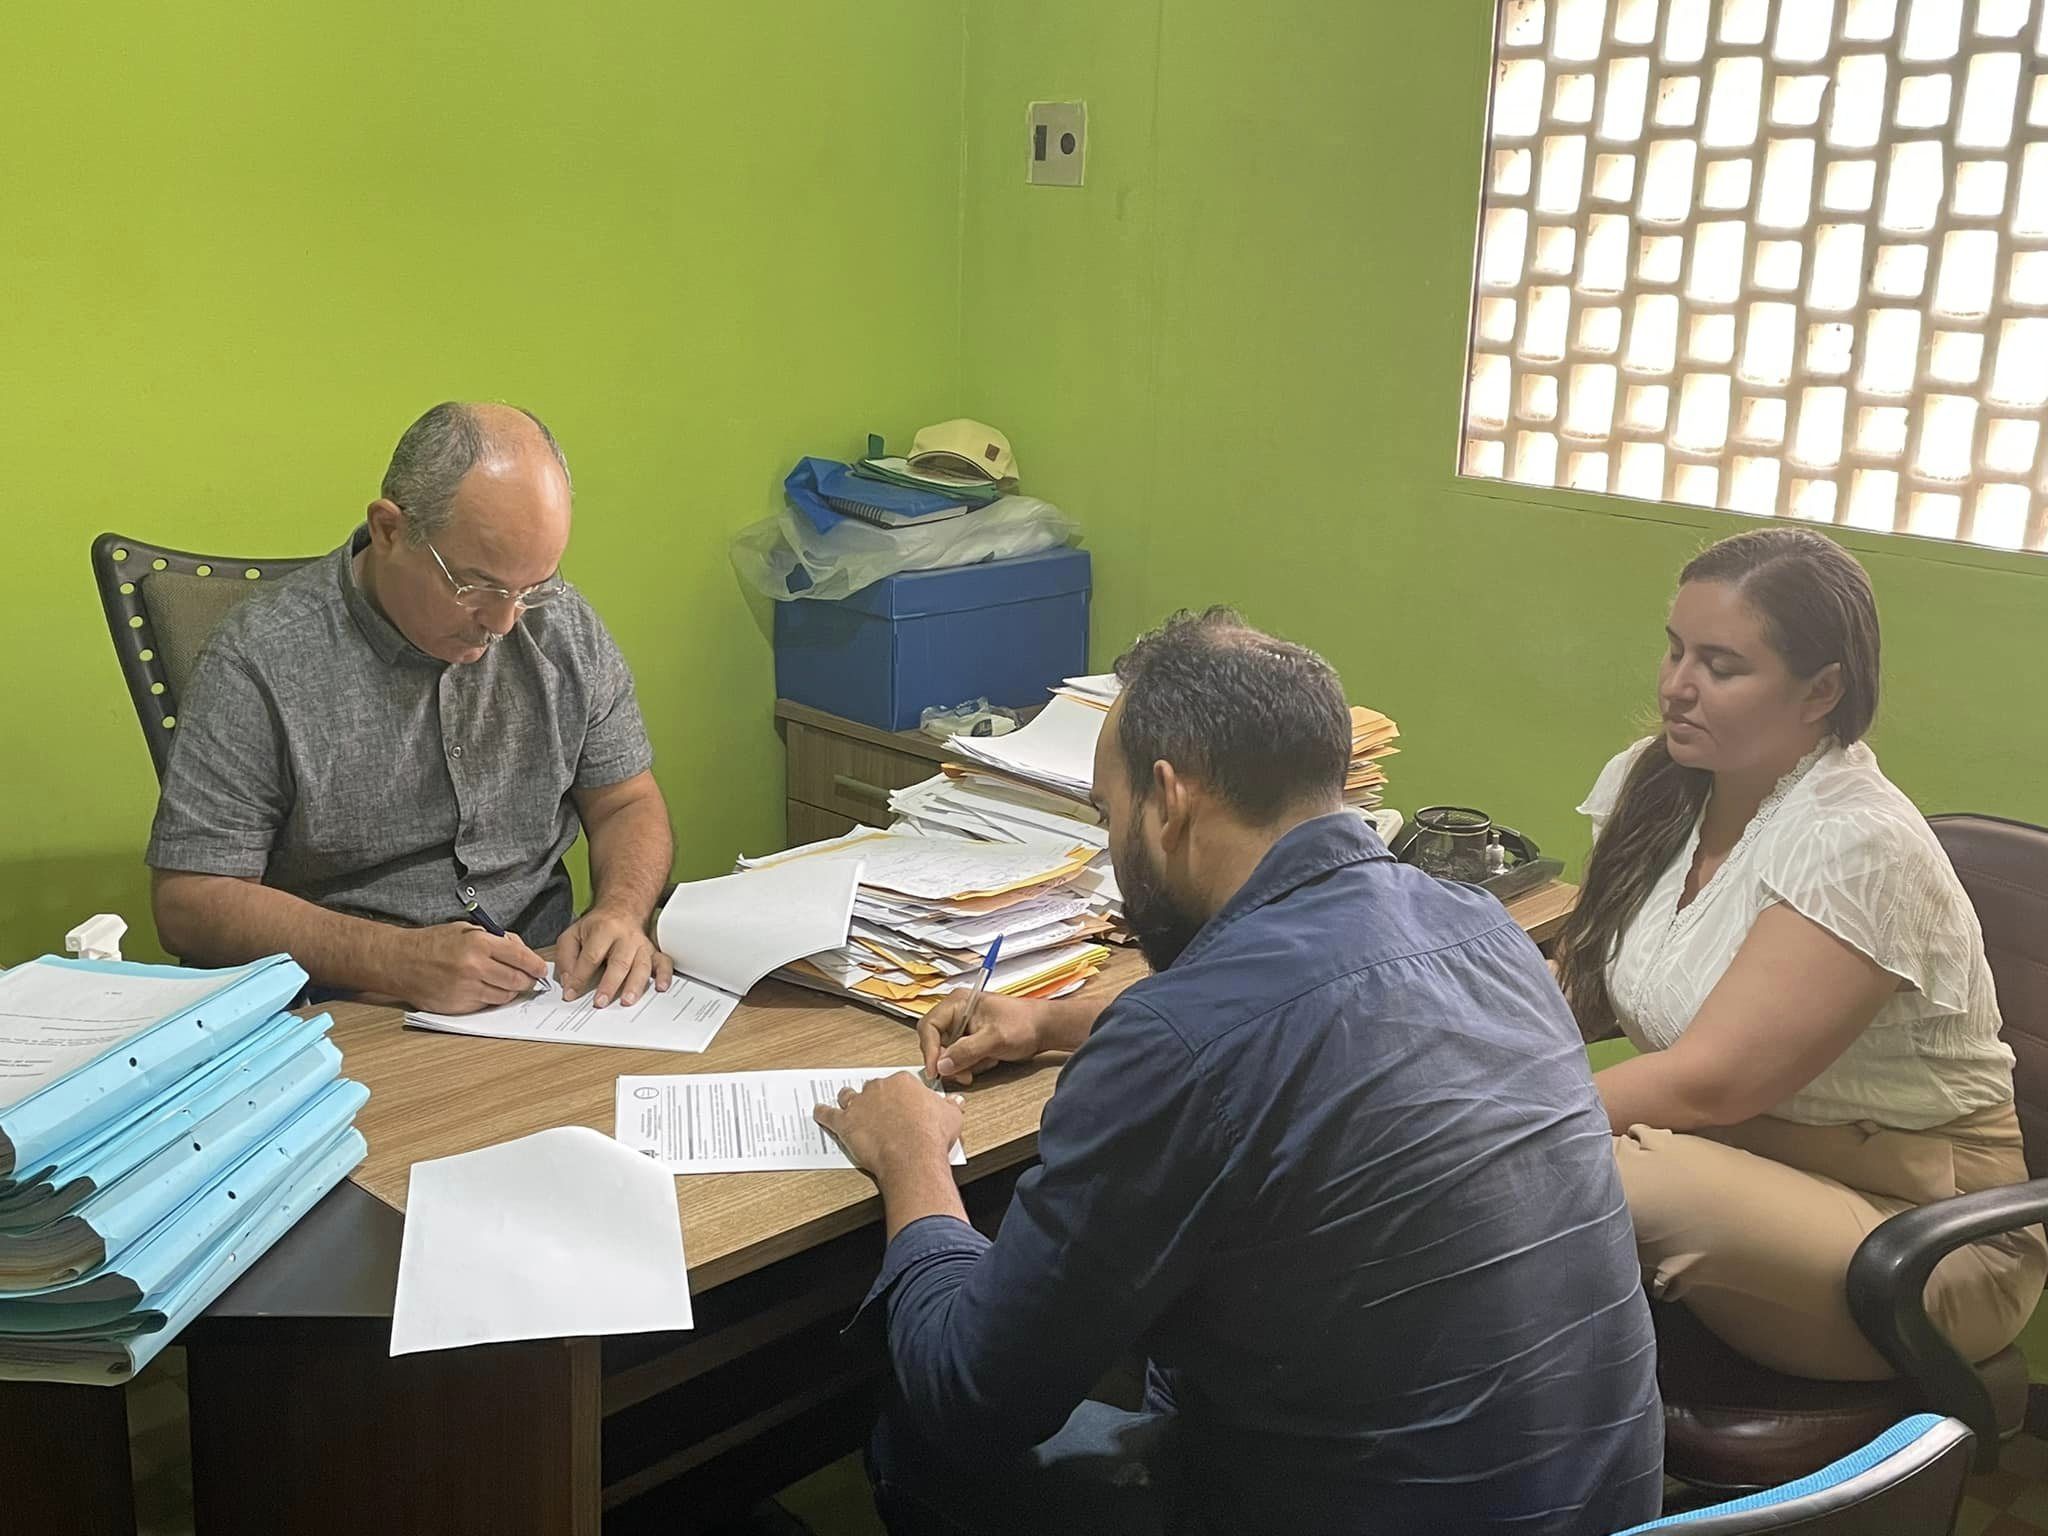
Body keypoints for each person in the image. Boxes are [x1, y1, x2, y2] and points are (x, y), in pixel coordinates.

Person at [813, 609, 1662, 1536]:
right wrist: (1057, 1020)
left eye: (1108, 814)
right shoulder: (1483, 930)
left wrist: (915, 1167)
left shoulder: (1180, 1044)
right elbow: (1319, 1008)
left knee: (919, 1436)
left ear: (1168, 799)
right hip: (1600, 1508)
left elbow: (970, 1395)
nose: (1113, 848)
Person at [1554, 526, 2046, 1381]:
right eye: (1674, 651)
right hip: (1739, 1155)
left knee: (1603, 1180)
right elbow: (1580, 994)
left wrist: (1496, 1122)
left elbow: (1711, 1082)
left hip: (1923, 1224)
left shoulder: (1858, 842)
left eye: (1721, 665)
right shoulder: (1656, 785)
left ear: (1821, 690)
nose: (1676, 687)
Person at [147, 402, 676, 1016]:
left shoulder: (562, 626)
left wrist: (619, 910)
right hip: (350, 1007)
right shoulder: (259, 657)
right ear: (389, 529)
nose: (504, 623)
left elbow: (627, 802)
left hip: (547, 995)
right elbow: (189, 900)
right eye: (475, 586)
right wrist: (392, 958)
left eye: (530, 588)